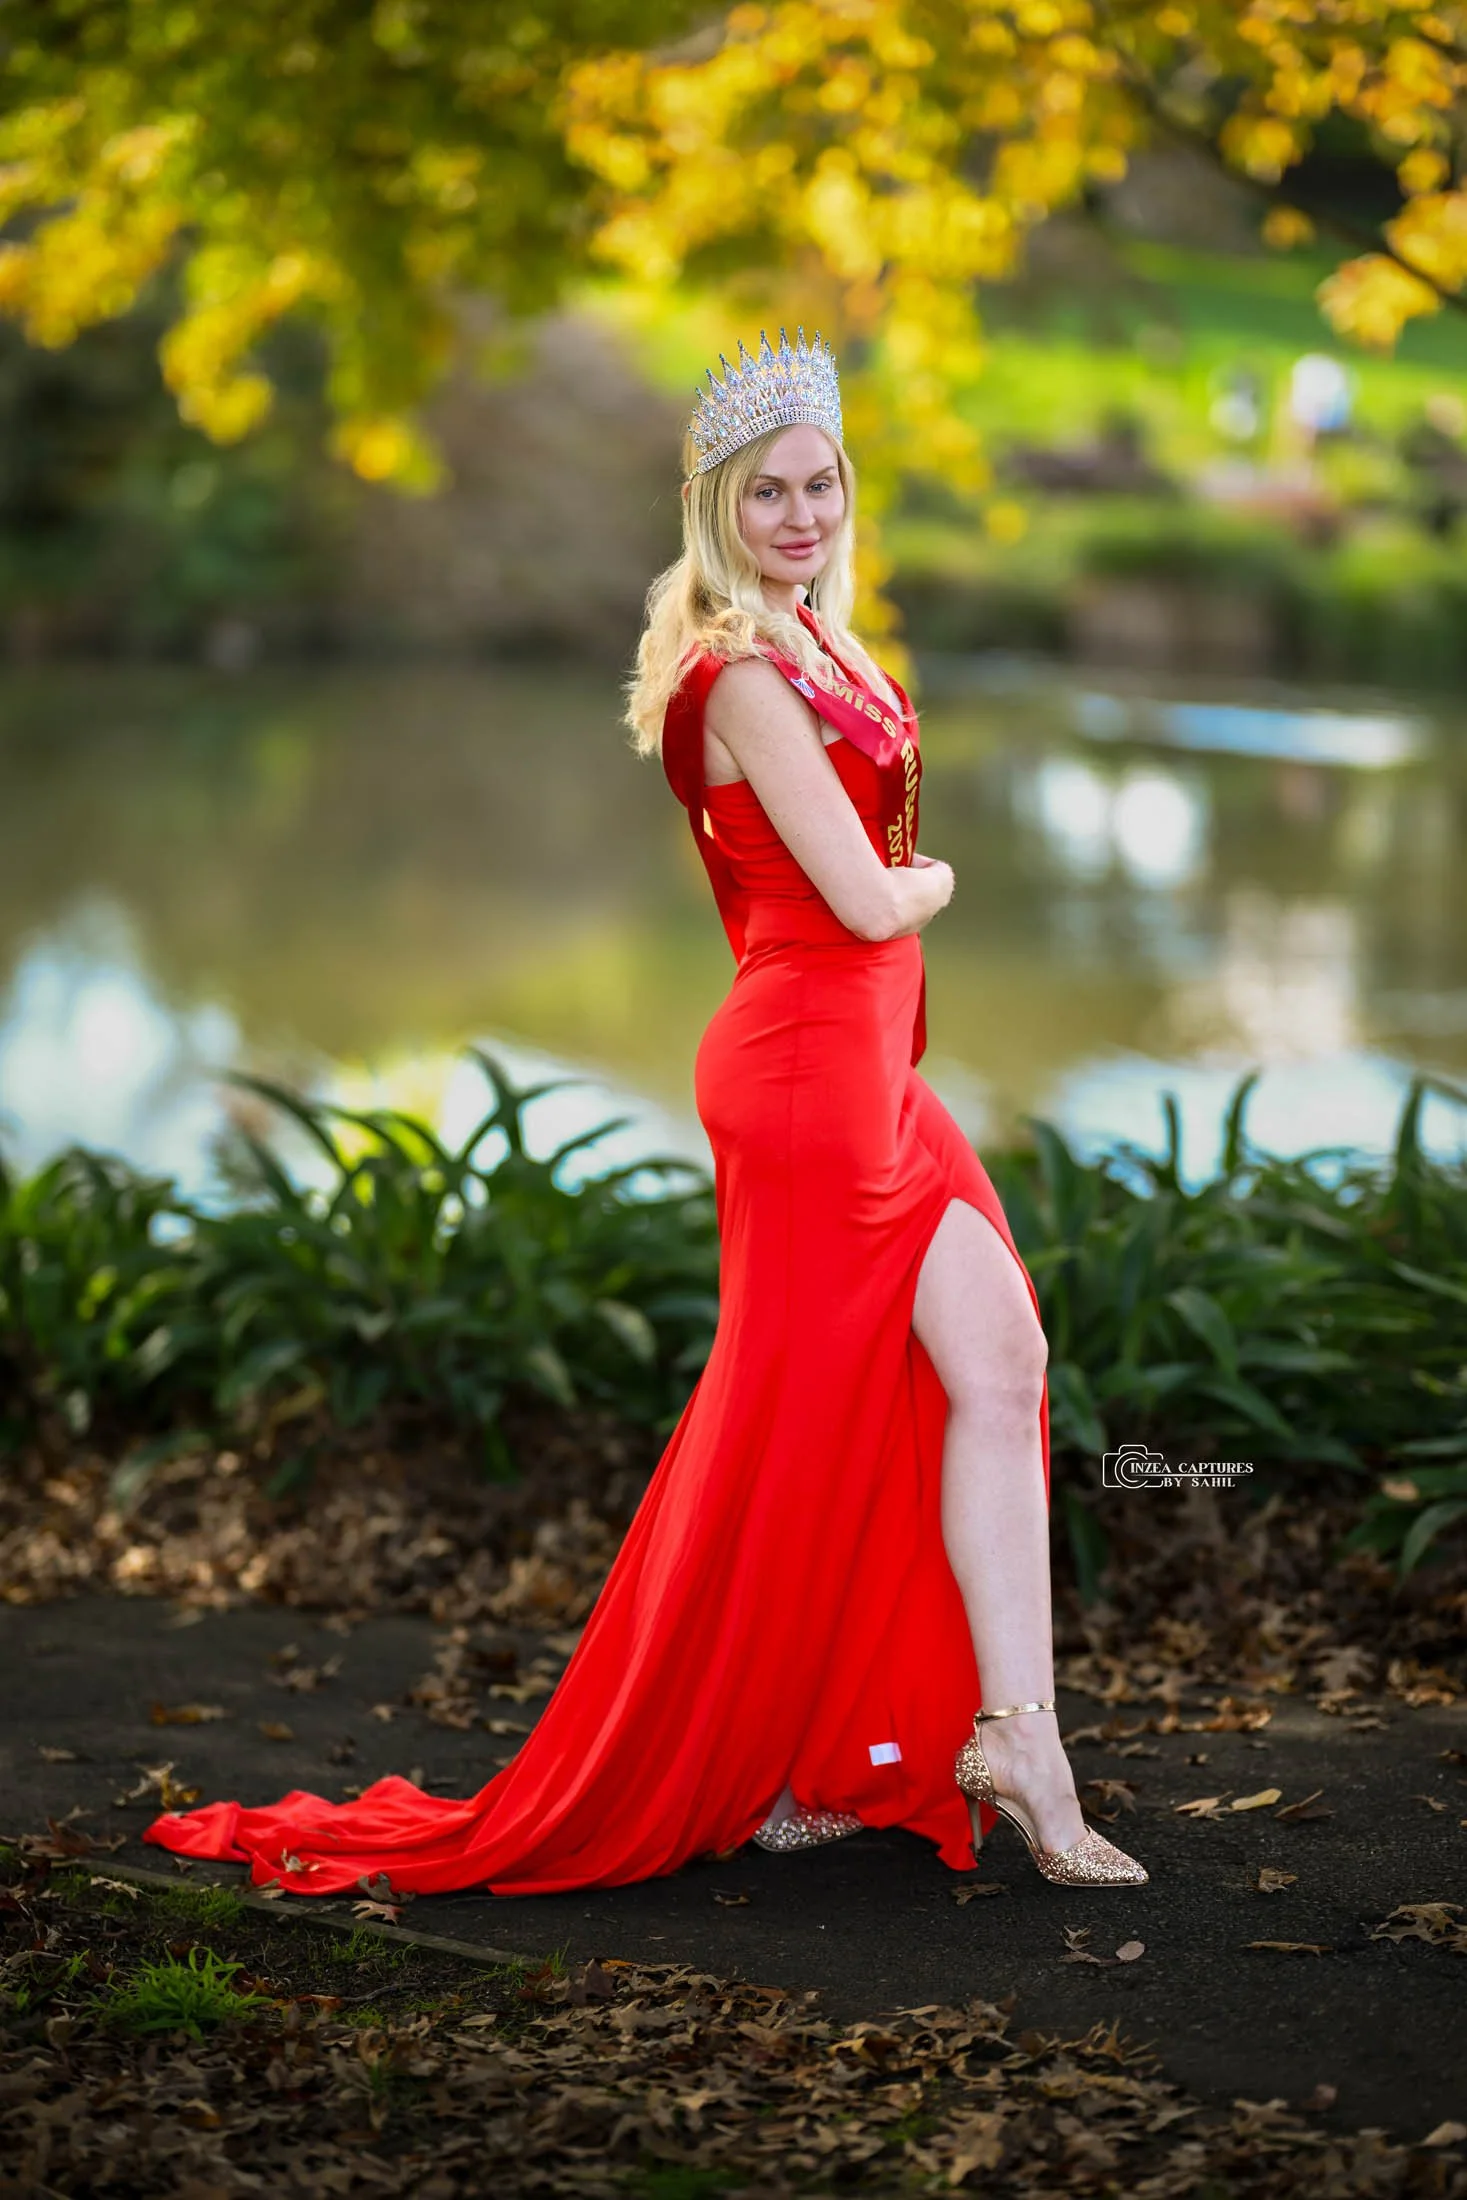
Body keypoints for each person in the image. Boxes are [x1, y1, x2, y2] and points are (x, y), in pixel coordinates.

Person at [143, 329, 1146, 1898]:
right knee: (798, 1426)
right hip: (809, 1075)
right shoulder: (739, 675)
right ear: (717, 510)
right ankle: (773, 1752)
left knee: (999, 1357)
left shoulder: (824, 638)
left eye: (821, 484)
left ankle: (1013, 1736)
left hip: (869, 1069)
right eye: (769, 495)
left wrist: (904, 894)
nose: (802, 514)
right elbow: (870, 901)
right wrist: (940, 883)